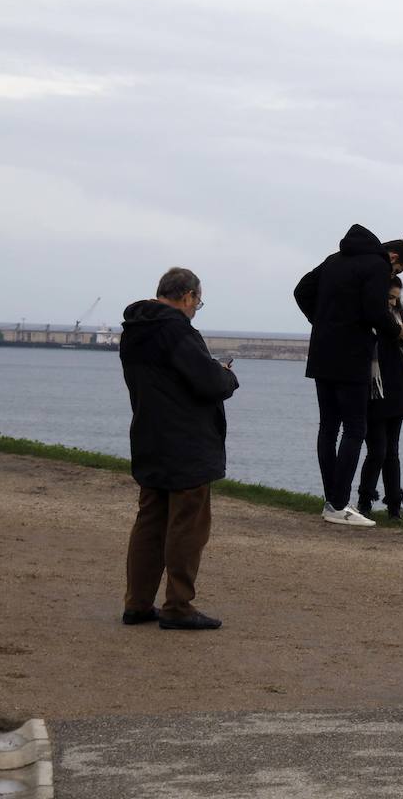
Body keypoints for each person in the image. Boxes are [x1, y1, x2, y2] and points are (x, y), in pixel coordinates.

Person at [119, 267, 239, 630]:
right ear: (187, 296)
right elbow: (207, 383)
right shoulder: (176, 330)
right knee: (187, 526)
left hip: (149, 435)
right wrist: (226, 374)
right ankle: (178, 606)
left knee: (150, 523)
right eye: (197, 303)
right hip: (186, 443)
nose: (195, 309)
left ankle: (137, 603)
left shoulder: (135, 330)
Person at [294, 226, 403, 527]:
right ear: (394, 256)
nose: (392, 274)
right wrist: (396, 329)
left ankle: (332, 500)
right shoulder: (377, 265)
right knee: (355, 428)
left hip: (322, 351)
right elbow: (375, 311)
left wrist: (321, 320)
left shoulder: (335, 259)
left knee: (328, 427)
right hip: (351, 356)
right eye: (397, 269)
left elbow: (301, 290)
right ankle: (337, 503)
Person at [355, 275, 403, 520]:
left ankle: (394, 504)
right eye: (389, 298)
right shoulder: (369, 319)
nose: (393, 304)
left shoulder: (398, 319)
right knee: (378, 450)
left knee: (391, 451)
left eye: (396, 299)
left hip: (396, 393)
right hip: (374, 393)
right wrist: (393, 333)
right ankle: (365, 500)